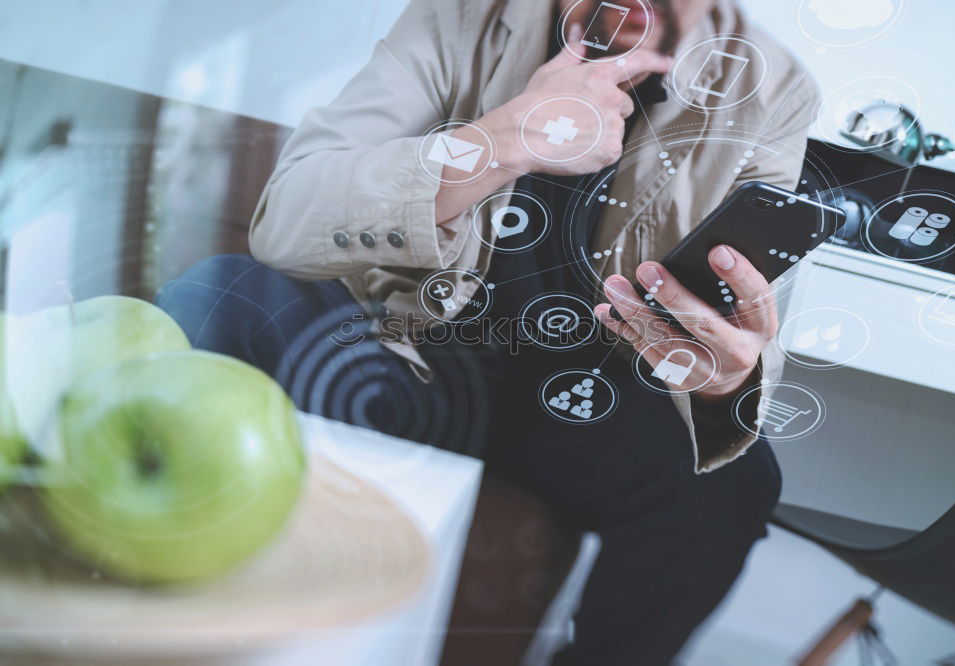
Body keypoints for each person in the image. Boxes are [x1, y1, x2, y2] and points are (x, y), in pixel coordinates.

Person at [157, 0, 818, 662]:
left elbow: (745, 335)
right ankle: (144, 600)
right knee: (226, 291)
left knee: (734, 480)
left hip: (579, 406)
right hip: (404, 352)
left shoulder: (775, 88)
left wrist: (724, 379)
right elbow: (287, 221)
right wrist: (502, 140)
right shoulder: (460, 14)